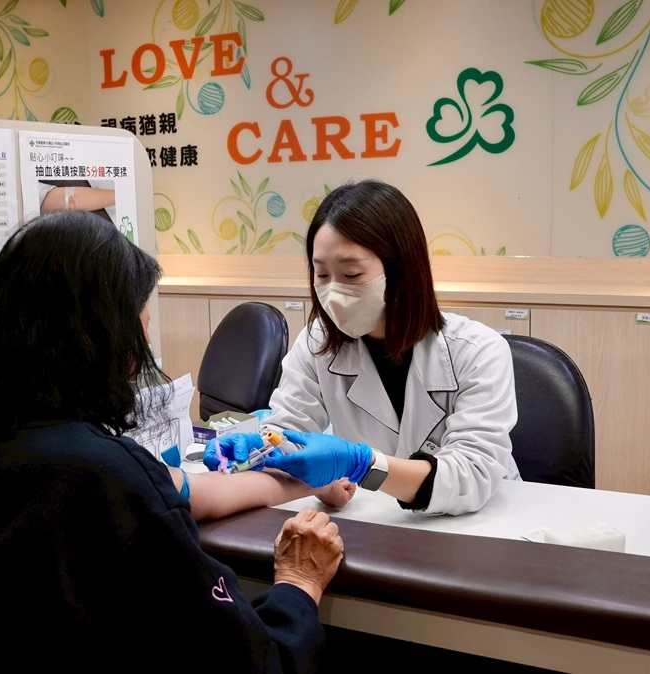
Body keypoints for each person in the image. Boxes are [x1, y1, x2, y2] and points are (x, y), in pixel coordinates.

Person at [0, 210, 347, 673]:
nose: (145, 335)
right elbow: (259, 663)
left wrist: (305, 478)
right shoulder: (104, 472)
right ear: (104, 333)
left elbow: (182, 487)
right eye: (141, 319)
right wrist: (299, 582)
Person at [207, 179, 519, 516]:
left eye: (352, 274)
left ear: (401, 272)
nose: (333, 293)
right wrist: (268, 449)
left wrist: (362, 464)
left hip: (483, 522)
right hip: (374, 519)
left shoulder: (479, 351)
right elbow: (288, 435)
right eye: (322, 275)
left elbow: (470, 476)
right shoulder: (317, 344)